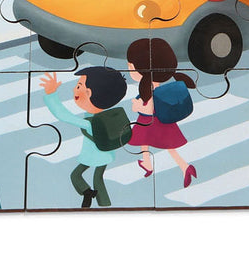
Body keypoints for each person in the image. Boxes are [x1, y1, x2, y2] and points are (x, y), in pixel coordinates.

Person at [40, 67, 129, 208]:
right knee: (97, 178)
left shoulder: (90, 122)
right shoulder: (104, 116)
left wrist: (51, 95)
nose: (74, 90)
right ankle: (103, 203)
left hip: (95, 155)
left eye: (78, 86)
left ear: (88, 93)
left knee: (77, 176)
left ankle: (88, 194)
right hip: (106, 153)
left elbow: (64, 116)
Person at [126, 38, 198, 187]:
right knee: (149, 143)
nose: (129, 68)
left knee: (156, 144)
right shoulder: (153, 87)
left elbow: (149, 110)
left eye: (130, 66)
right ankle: (150, 163)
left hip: (153, 122)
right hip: (155, 121)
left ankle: (183, 166)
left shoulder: (151, 89)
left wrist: (137, 106)